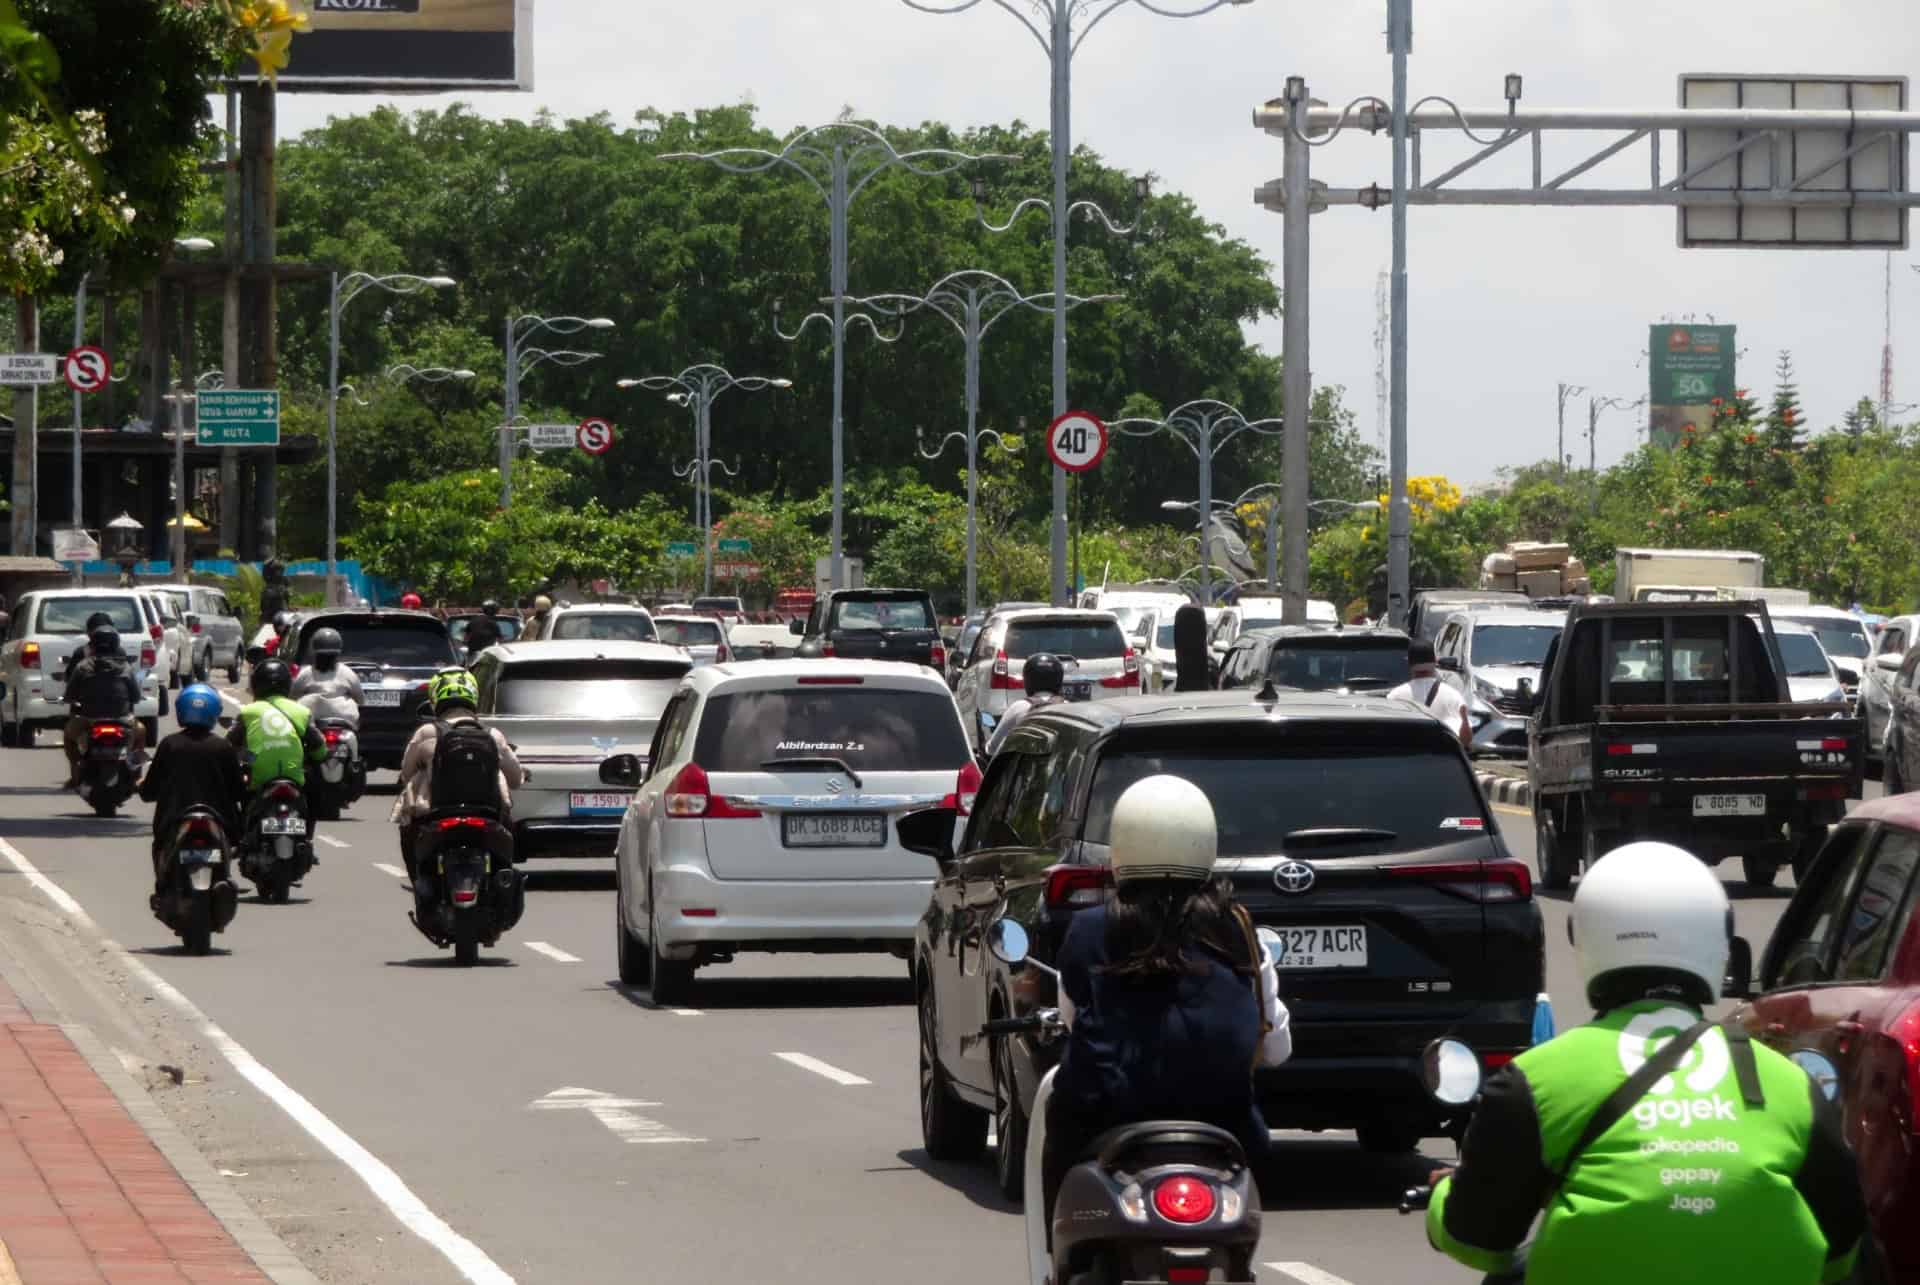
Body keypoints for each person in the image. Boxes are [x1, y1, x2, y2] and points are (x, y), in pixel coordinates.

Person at [1425, 842, 1868, 1284]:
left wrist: (1444, 1193)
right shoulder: (1787, 1083)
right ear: (1720, 940)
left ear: (1586, 938)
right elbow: (1842, 1246)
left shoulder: (1536, 1079)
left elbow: (1476, 1242)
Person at [1043, 774, 1290, 1230]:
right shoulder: (1239, 930)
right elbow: (1276, 1046)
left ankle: (1056, 1257)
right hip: (1228, 1129)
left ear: (1123, 848)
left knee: (1057, 1118)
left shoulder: (1089, 930)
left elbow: (1072, 1021)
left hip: (1106, 1123)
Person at [391, 668, 525, 884]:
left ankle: (418, 883)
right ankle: (503, 878)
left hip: (435, 814)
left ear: (435, 697)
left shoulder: (426, 733)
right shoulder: (493, 735)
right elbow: (516, 779)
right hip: (489, 814)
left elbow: (406, 773)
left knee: (407, 827)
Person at [138, 683, 244, 897]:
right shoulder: (223, 747)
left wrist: (141, 787)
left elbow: (149, 790)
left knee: (159, 846)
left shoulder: (170, 744)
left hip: (173, 819)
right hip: (219, 820)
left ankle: (162, 887)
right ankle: (222, 877)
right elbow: (238, 791)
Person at [227, 659, 326, 802]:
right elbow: (320, 751)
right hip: (295, 781)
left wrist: (249, 757)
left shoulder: (247, 712)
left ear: (256, 685)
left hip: (257, 783)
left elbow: (228, 747)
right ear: (287, 684)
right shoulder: (302, 712)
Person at [63, 624, 146, 785]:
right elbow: (135, 696)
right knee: (141, 732)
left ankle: (75, 773)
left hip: (89, 720)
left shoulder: (82, 667)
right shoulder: (126, 667)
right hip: (122, 720)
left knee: (68, 735)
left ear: (93, 644)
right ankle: (137, 775)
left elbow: (70, 695)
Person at [1389, 640, 1473, 749]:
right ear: (1435, 661)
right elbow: (1466, 740)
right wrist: (1465, 720)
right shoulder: (1452, 695)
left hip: (1407, 758)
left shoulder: (1395, 696)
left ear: (1409, 663)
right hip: (1439, 759)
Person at [985, 653, 1066, 756]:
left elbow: (992, 748)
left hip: (1027, 770)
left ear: (1028, 680)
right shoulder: (1070, 708)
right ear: (1059, 679)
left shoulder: (1018, 707)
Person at [289, 627, 364, 723]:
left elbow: (292, 697)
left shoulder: (305, 673)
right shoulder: (347, 672)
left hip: (311, 721)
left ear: (314, 653)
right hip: (345, 720)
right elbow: (360, 699)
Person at [257, 559, 289, 627]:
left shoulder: (281, 588)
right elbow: (265, 609)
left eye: (281, 571)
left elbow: (285, 603)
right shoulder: (269, 591)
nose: (281, 574)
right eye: (278, 571)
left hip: (280, 621)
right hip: (271, 623)